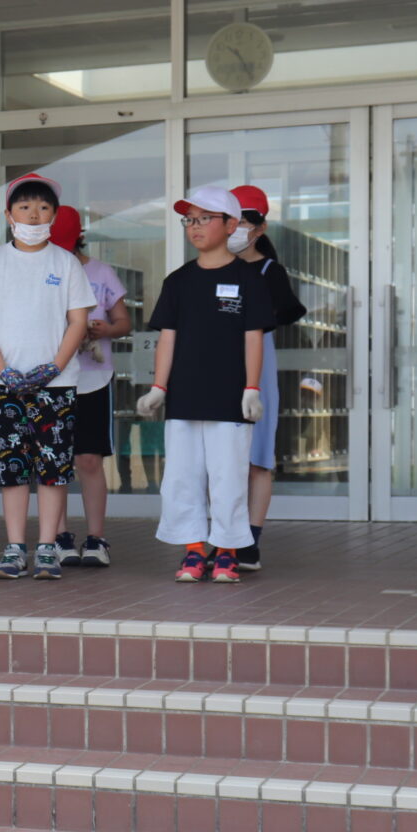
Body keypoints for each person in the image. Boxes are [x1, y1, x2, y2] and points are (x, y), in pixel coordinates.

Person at [135, 186, 273, 584]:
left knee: (228, 475)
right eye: (189, 220)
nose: (194, 227)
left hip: (231, 398)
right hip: (184, 396)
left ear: (231, 224)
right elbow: (167, 337)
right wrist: (159, 387)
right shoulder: (178, 280)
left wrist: (252, 388)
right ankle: (193, 552)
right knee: (181, 475)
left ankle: (227, 553)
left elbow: (253, 336)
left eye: (204, 219)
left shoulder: (248, 278)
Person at [0, 173, 94, 582]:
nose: (33, 215)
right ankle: (15, 547)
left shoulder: (66, 263)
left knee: (54, 468)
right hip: (4, 384)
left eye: (42, 208)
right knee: (13, 467)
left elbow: (78, 321)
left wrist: (55, 365)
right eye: (24, 207)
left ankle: (47, 547)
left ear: (54, 215)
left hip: (55, 385)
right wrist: (3, 370)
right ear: (9, 215)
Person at [229, 184, 307, 573]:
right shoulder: (210, 268)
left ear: (259, 228)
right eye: (230, 220)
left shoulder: (267, 270)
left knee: (257, 456)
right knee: (221, 456)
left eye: (244, 221)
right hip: (213, 365)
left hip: (258, 365)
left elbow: (292, 310)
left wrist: (253, 325)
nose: (236, 229)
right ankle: (221, 536)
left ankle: (250, 540)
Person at [49, 205, 131, 568]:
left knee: (89, 459)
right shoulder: (42, 269)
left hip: (93, 378)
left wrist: (104, 330)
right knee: (56, 461)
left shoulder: (100, 272)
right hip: (51, 379)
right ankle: (59, 535)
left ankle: (97, 538)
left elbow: (123, 321)